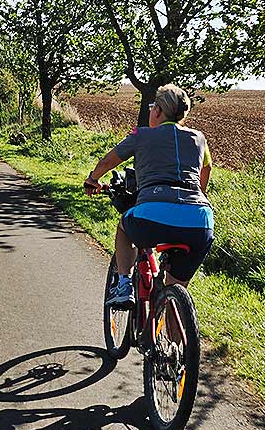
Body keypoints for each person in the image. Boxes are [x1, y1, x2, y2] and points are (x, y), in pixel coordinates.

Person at [84, 84, 214, 308]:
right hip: (200, 220)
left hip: (152, 214)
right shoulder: (199, 138)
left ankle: (124, 284)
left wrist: (92, 180)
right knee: (176, 291)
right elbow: (206, 169)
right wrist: (199, 193)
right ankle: (178, 334)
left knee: (124, 227)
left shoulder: (141, 135)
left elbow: (107, 162)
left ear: (157, 111)